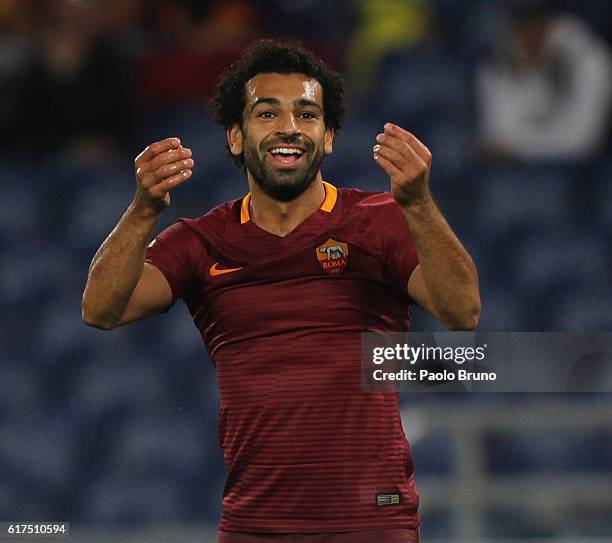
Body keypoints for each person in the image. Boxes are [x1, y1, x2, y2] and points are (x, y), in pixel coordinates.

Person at [82, 39, 480, 543]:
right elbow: (100, 310)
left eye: (307, 114)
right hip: (255, 526)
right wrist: (142, 210)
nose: (289, 127)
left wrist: (419, 204)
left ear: (329, 136)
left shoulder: (381, 220)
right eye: (267, 112)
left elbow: (463, 311)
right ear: (235, 136)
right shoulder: (201, 241)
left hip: (373, 523)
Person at [476, 0, 612, 162]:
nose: (530, 34)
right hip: (518, 170)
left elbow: (583, 140)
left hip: (581, 173)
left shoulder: (592, 58)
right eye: (522, 26)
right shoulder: (498, 60)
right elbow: (497, 135)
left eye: (538, 25)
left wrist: (517, 146)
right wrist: (527, 74)